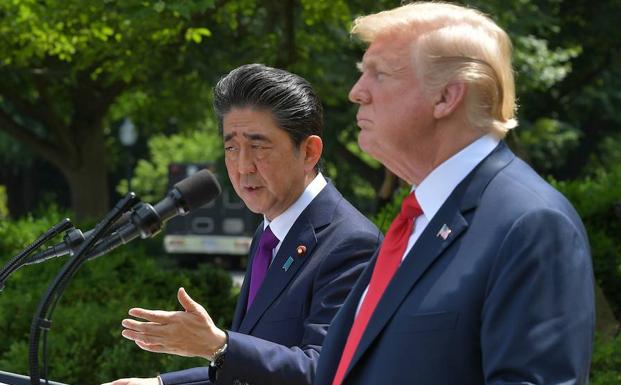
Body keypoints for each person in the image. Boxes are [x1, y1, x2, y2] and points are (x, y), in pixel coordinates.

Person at [313, 2, 595, 385]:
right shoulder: (420, 217)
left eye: (378, 74)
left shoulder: (532, 224)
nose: (356, 93)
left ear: (446, 97)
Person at [102, 64, 382, 385]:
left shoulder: (351, 242)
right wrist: (160, 384)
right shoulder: (269, 233)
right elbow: (251, 371)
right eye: (232, 147)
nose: (243, 166)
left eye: (259, 146)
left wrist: (219, 345)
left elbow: (323, 370)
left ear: (309, 152)